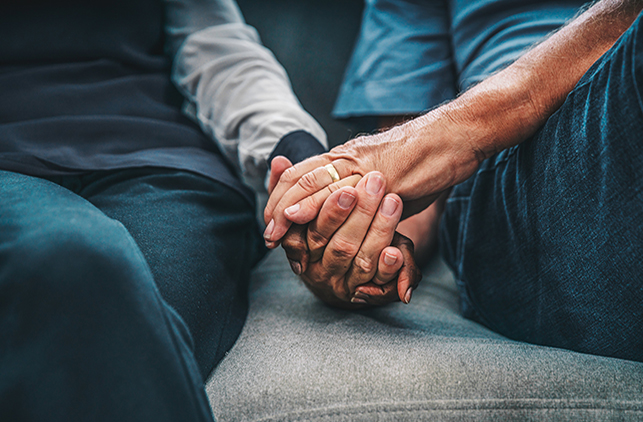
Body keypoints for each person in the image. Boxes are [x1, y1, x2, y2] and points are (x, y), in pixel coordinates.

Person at [0, 0, 416, 420]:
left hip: (168, 169)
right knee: (68, 262)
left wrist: (305, 161)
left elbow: (216, 50)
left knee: (119, 318)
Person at [264, 0, 643, 368]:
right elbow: (401, 185)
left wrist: (464, 129)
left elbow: (420, 148)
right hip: (521, 180)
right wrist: (354, 240)